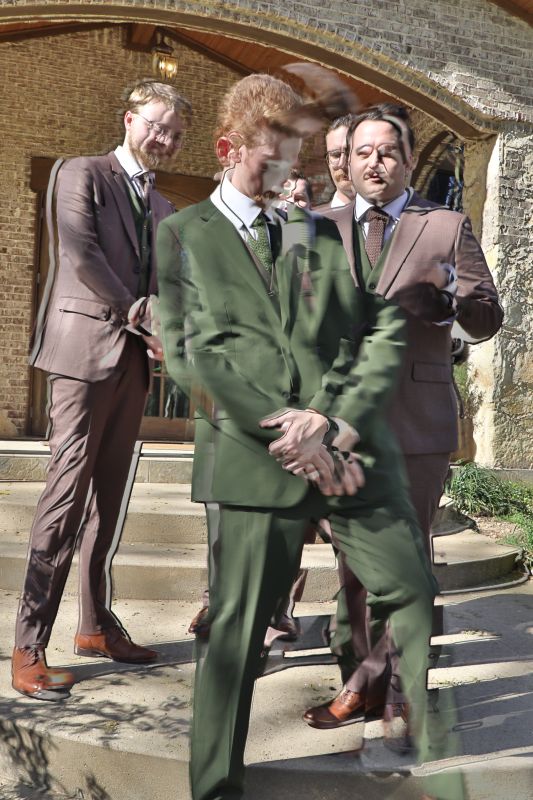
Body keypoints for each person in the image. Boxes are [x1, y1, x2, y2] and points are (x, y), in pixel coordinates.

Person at [157, 74, 464, 800]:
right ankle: (215, 787)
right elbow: (192, 357)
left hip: (337, 453)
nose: (290, 172)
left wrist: (327, 419)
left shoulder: (304, 230)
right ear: (229, 149)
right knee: (235, 635)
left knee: (411, 584)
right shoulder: (182, 235)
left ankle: (401, 719)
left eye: (296, 156)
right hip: (251, 459)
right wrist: (286, 432)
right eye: (275, 156)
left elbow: (368, 324)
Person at [304, 103, 503, 733]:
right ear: (347, 161)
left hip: (416, 419)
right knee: (355, 564)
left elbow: (487, 316)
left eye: (387, 151)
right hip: (340, 423)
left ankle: (399, 690)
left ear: (409, 160)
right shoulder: (315, 227)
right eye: (361, 152)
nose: (374, 163)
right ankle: (363, 683)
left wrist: (456, 302)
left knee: (409, 561)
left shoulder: (444, 225)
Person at [12, 80, 189, 702]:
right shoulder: (80, 174)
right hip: (81, 356)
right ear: (129, 118)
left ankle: (93, 624)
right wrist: (143, 313)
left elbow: (168, 282)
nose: (164, 139)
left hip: (132, 366)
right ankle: (29, 645)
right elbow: (82, 255)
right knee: (65, 497)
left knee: (108, 500)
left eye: (174, 134)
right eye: (156, 125)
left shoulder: (164, 208)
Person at [314, 114, 355, 210]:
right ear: (328, 161)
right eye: (336, 155)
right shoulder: (313, 219)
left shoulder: (386, 216)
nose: (342, 164)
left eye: (349, 153)